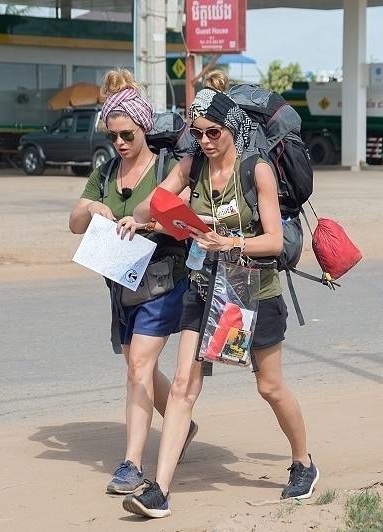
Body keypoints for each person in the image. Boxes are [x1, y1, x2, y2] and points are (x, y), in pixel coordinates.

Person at [118, 73, 318, 519]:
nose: (205, 141)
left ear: (231, 129)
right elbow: (159, 201)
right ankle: (160, 490)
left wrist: (230, 243)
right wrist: (140, 219)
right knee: (185, 386)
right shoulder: (193, 167)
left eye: (214, 132)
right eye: (198, 132)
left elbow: (272, 240)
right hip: (206, 289)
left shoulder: (256, 170)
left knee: (269, 385)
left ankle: (303, 462)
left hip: (254, 289)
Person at [68, 69, 197, 496]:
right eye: (112, 137)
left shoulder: (167, 169)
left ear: (143, 126)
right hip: (121, 285)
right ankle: (182, 423)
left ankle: (132, 464)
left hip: (163, 281)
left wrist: (146, 221)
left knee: (139, 367)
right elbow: (73, 223)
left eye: (126, 134)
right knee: (136, 366)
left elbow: (183, 223)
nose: (119, 143)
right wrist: (92, 210)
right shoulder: (105, 174)